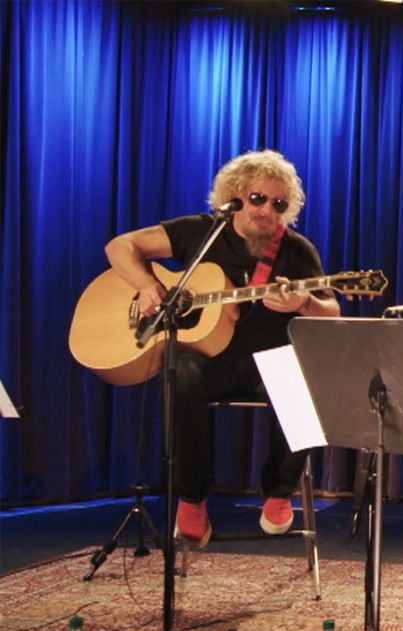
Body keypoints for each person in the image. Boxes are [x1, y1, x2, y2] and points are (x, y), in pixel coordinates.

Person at [104, 149, 340, 548]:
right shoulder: (200, 232)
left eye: (278, 204)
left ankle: (279, 491)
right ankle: (193, 497)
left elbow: (332, 309)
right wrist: (148, 286)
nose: (267, 210)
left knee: (313, 384)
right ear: (234, 196)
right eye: (257, 199)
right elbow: (119, 247)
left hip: (273, 362)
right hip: (212, 362)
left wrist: (303, 303)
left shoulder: (297, 250)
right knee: (181, 375)